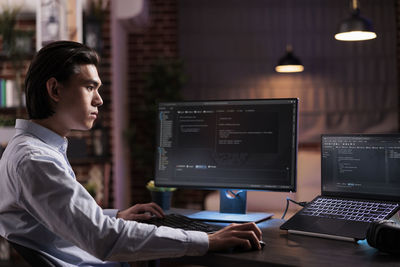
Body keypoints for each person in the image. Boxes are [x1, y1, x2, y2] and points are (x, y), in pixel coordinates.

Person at [0, 41, 263, 266]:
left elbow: (61, 219)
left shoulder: (36, 150)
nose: (99, 100)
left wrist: (115, 216)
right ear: (55, 90)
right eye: (90, 87)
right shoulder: (35, 160)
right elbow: (103, 238)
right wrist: (207, 240)